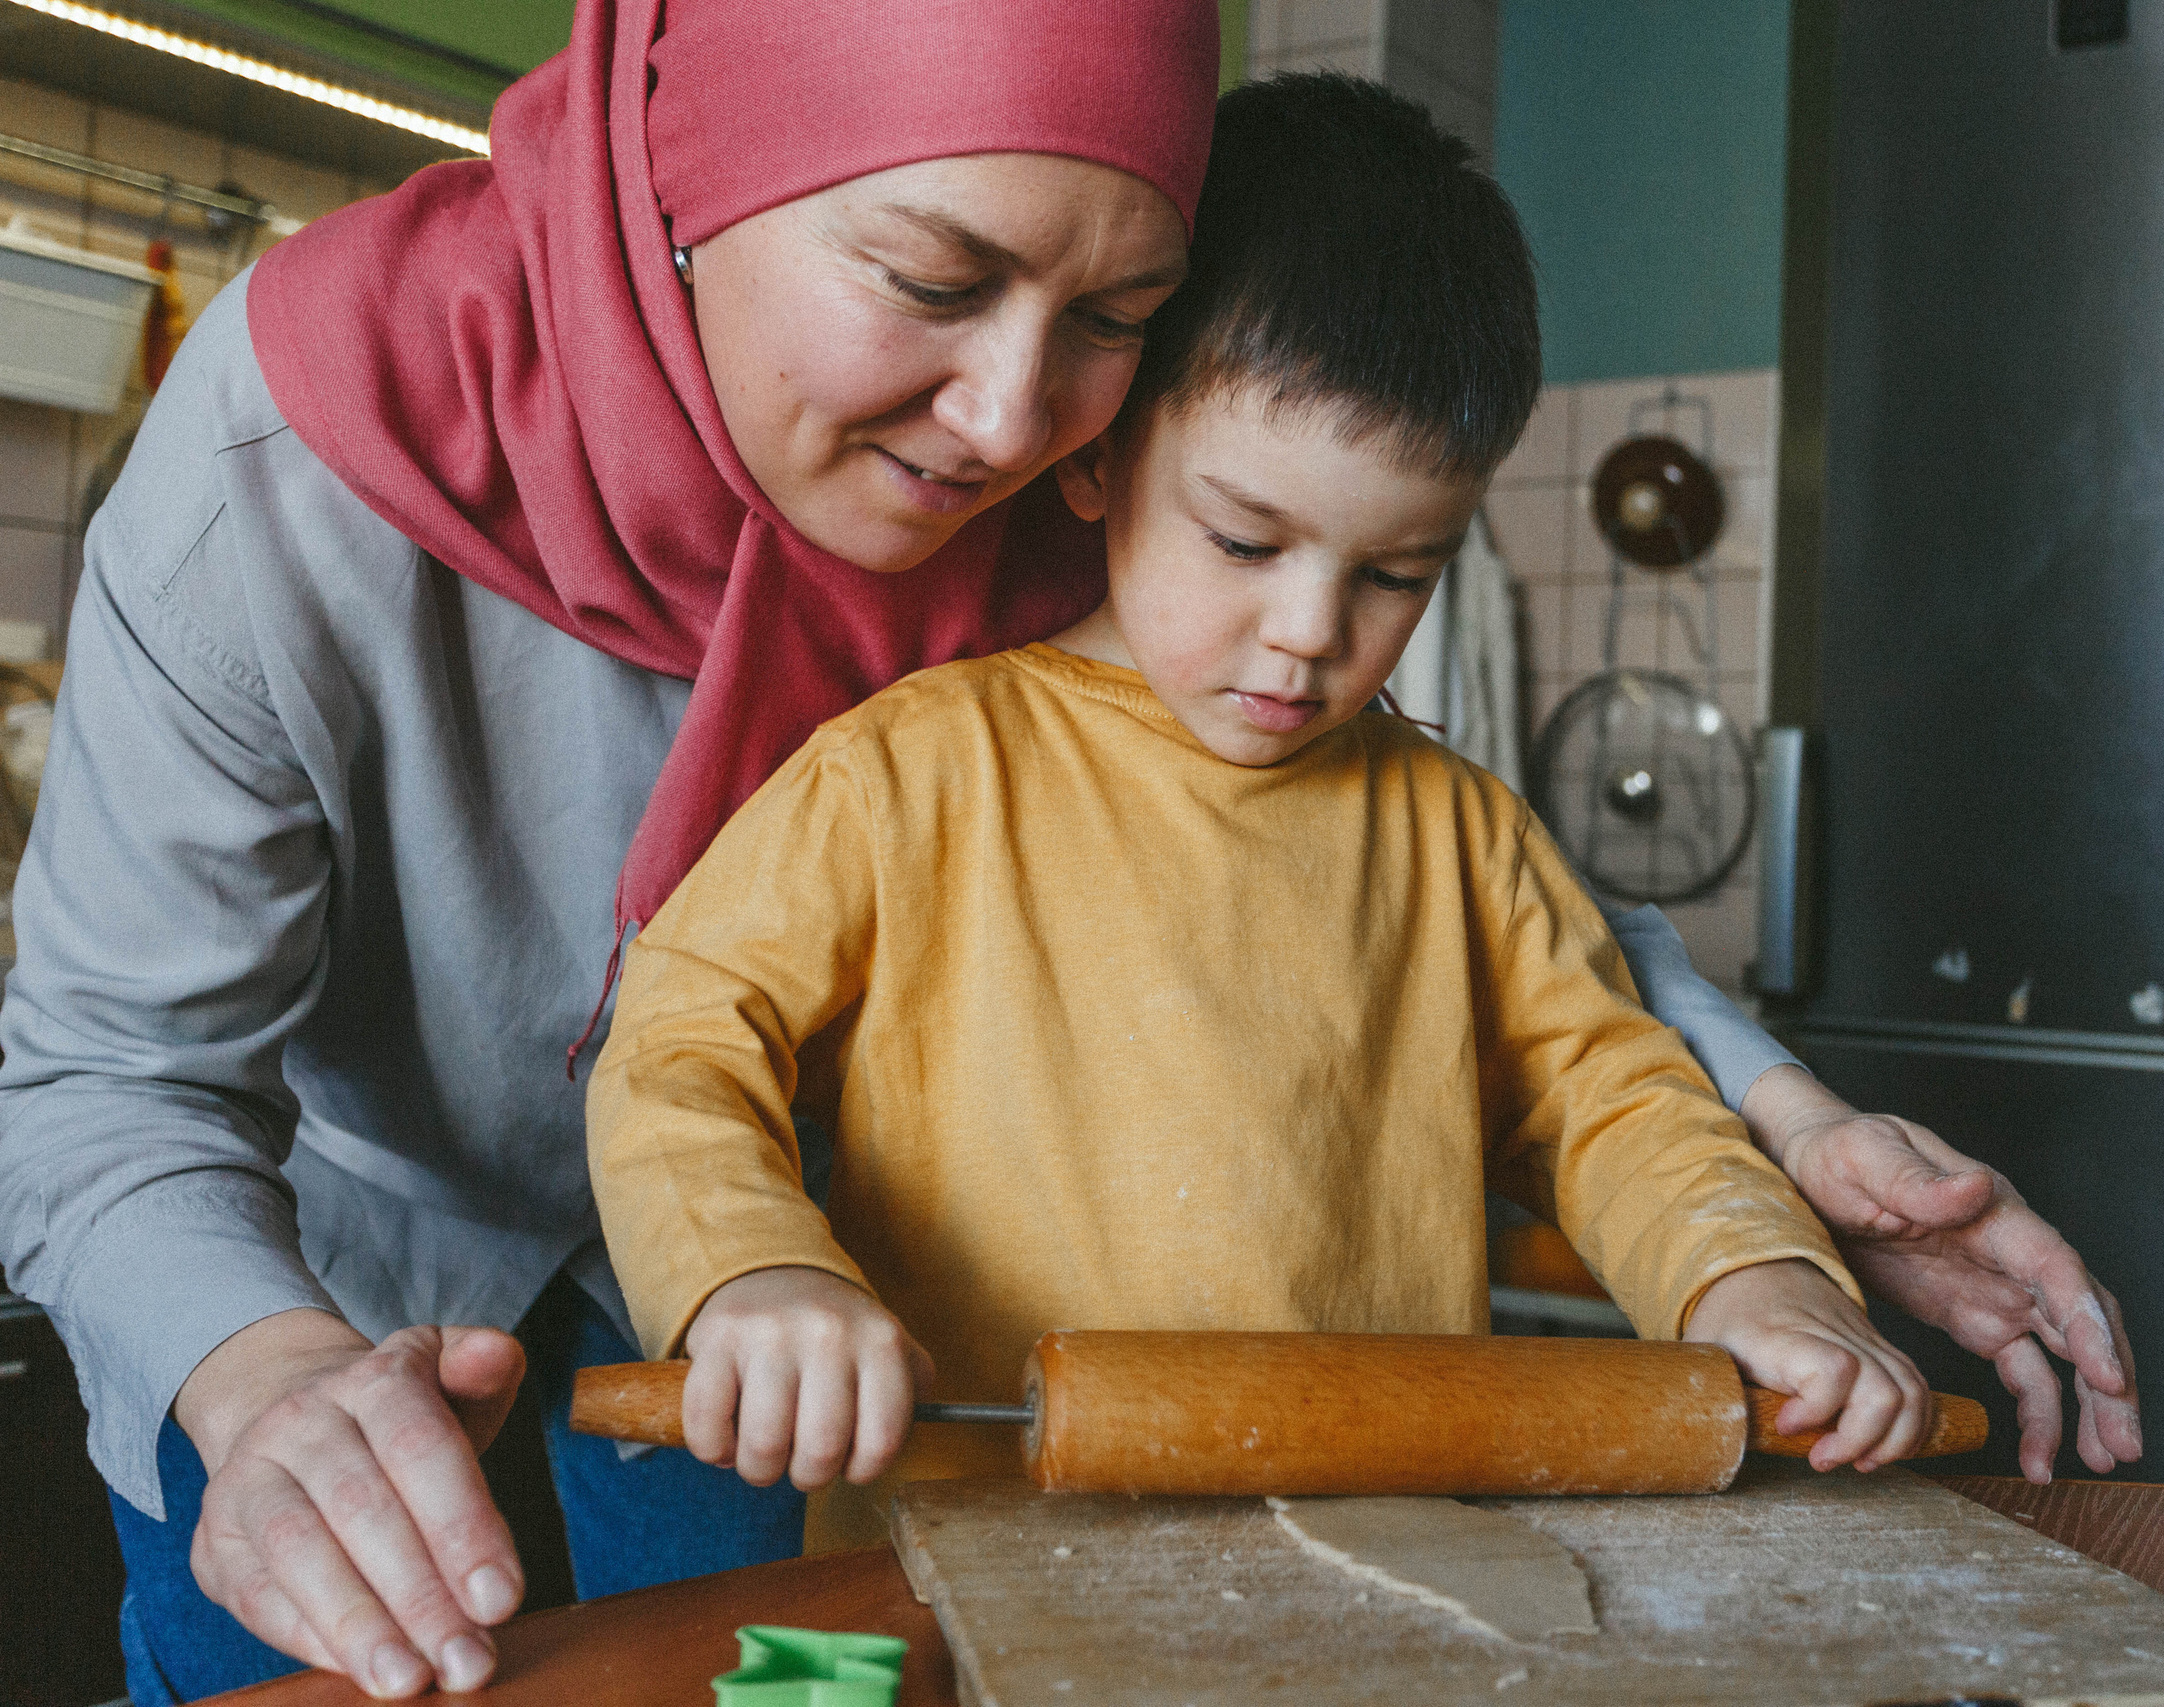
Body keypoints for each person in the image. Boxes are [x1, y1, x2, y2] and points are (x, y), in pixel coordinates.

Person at [0, 0, 2137, 1700]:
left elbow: (1486, 916)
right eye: (931, 278)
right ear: (693, 176)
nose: (1015, 421)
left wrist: (1783, 1157)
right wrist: (261, 1377)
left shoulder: (1114, 499)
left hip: (809, 1336)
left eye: (1119, 313)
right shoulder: (286, 467)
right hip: (338, 1281)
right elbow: (108, 1077)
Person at [587, 74, 1938, 1502]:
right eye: (1244, 542)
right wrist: (754, 1271)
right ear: (1097, 458)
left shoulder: (1460, 835)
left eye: (1394, 574)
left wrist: (1753, 1274)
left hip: (1388, 1559)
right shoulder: (909, 776)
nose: (1309, 632)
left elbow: (1613, 1097)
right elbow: (680, 1048)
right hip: (974, 1555)